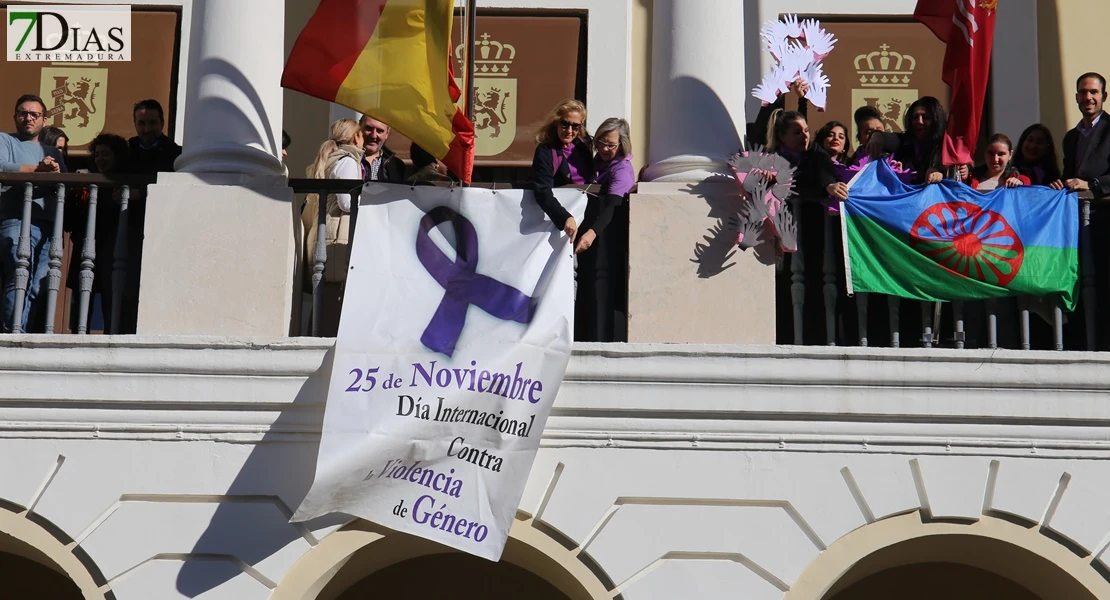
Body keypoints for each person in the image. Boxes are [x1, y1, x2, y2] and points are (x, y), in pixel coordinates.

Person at [0, 95, 63, 333]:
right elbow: (2, 166)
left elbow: (63, 182)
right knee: (19, 275)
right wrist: (38, 170)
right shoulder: (5, 140)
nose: (28, 118)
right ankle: (10, 334)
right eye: (23, 113)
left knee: (38, 284)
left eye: (34, 114)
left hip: (48, 224)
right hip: (16, 219)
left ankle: (21, 330)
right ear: (15, 116)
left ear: (44, 120)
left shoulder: (51, 151)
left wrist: (55, 170)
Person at [65, 133, 136, 333]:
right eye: (96, 155)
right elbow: (70, 222)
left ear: (117, 156)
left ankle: (110, 337)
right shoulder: (88, 182)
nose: (99, 159)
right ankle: (78, 336)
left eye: (105, 154)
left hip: (111, 248)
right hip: (86, 247)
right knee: (82, 295)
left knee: (110, 294)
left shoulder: (122, 184)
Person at [302, 118, 364, 336]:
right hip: (336, 236)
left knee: (325, 297)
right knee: (334, 297)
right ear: (356, 137)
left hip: (325, 233)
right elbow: (346, 202)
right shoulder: (347, 161)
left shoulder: (330, 158)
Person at [577, 118, 634, 342]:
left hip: (609, 241)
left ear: (622, 145)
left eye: (611, 145)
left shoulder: (622, 170)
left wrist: (591, 234)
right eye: (600, 142)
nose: (604, 148)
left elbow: (612, 206)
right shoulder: (597, 162)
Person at [530, 99, 593, 241]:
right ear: (556, 123)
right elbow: (542, 190)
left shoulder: (584, 146)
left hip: (587, 213)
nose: (569, 131)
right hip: (563, 217)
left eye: (575, 126)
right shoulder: (545, 150)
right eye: (565, 124)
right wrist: (565, 217)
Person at [1058, 72, 1110, 196]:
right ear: (1076, 97)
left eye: (1094, 92)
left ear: (1104, 96)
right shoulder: (1071, 137)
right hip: (1078, 210)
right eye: (1083, 92)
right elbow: (1069, 176)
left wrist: (1091, 184)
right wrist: (1059, 184)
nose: (1087, 97)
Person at [129, 99, 181, 174]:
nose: (147, 129)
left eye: (153, 123)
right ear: (135, 124)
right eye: (141, 123)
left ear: (162, 123)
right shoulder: (125, 151)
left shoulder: (176, 155)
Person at [358, 115, 404, 183]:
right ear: (359, 127)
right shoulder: (347, 159)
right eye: (369, 128)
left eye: (379, 131)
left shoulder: (396, 166)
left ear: (387, 134)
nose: (373, 135)